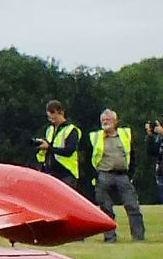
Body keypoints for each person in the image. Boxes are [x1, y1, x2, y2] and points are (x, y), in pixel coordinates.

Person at [88, 109, 145, 242]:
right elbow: (88, 158)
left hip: (122, 176)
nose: (105, 122)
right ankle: (109, 238)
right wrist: (94, 177)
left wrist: (130, 174)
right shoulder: (95, 137)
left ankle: (138, 237)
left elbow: (133, 156)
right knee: (106, 208)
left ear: (115, 121)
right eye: (103, 120)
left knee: (132, 206)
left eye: (108, 120)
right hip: (103, 175)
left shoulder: (125, 135)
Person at [34, 100, 87, 196]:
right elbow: (48, 148)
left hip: (67, 173)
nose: (51, 118)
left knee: (65, 201)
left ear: (61, 112)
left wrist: (49, 147)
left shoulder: (72, 130)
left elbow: (69, 151)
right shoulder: (50, 129)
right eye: (49, 116)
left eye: (53, 114)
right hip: (50, 172)